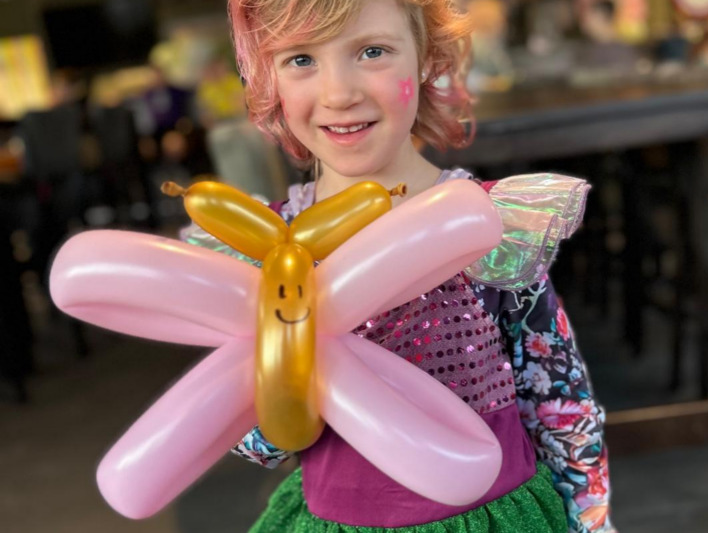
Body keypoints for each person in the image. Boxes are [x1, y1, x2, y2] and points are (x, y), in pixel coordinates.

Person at [197, 1, 616, 531]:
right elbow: (257, 442)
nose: (339, 94)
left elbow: (559, 401)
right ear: (267, 76)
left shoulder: (485, 226)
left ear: (426, 57)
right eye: (300, 60)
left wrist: (590, 523)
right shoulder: (262, 247)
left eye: (373, 51)